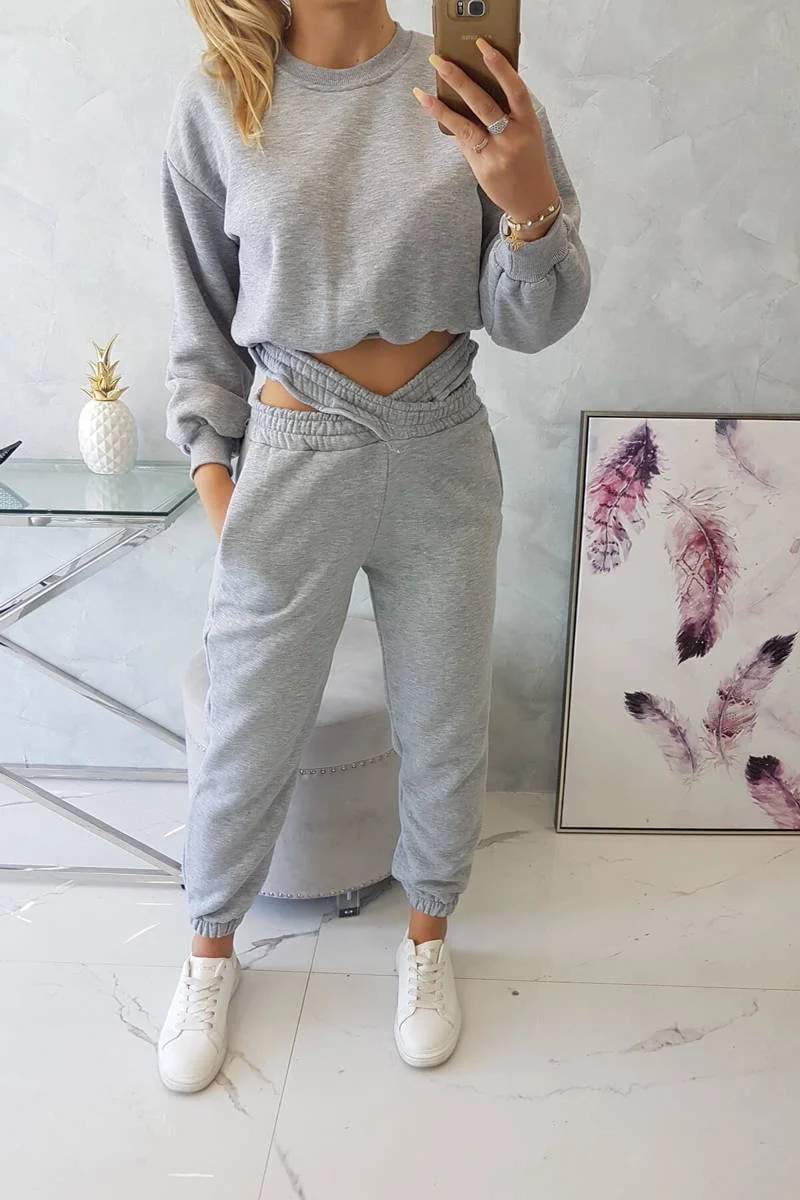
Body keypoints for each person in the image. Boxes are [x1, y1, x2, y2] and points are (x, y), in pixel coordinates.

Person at [156, 0, 591, 1092]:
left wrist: (528, 208)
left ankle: (427, 939)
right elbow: (199, 317)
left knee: (443, 717)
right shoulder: (223, 98)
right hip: (293, 448)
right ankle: (208, 953)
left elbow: (533, 321)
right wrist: (219, 485)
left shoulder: (465, 81)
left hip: (440, 441)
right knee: (248, 724)